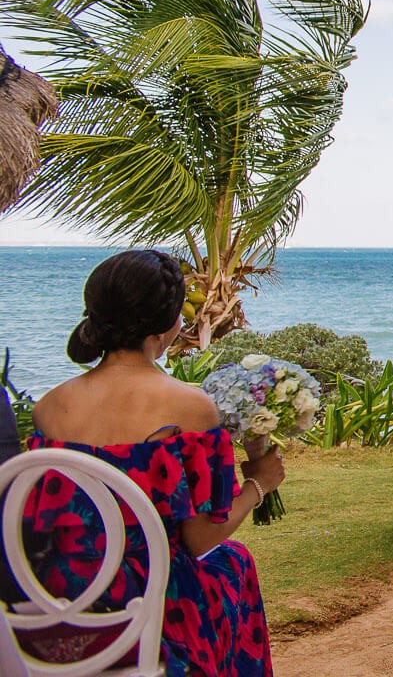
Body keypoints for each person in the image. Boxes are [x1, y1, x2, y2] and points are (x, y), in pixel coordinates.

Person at [22, 249, 280, 676]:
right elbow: (200, 539)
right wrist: (260, 485)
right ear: (170, 324)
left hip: (59, 594)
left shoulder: (50, 408)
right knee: (233, 562)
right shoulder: (191, 409)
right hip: (146, 605)